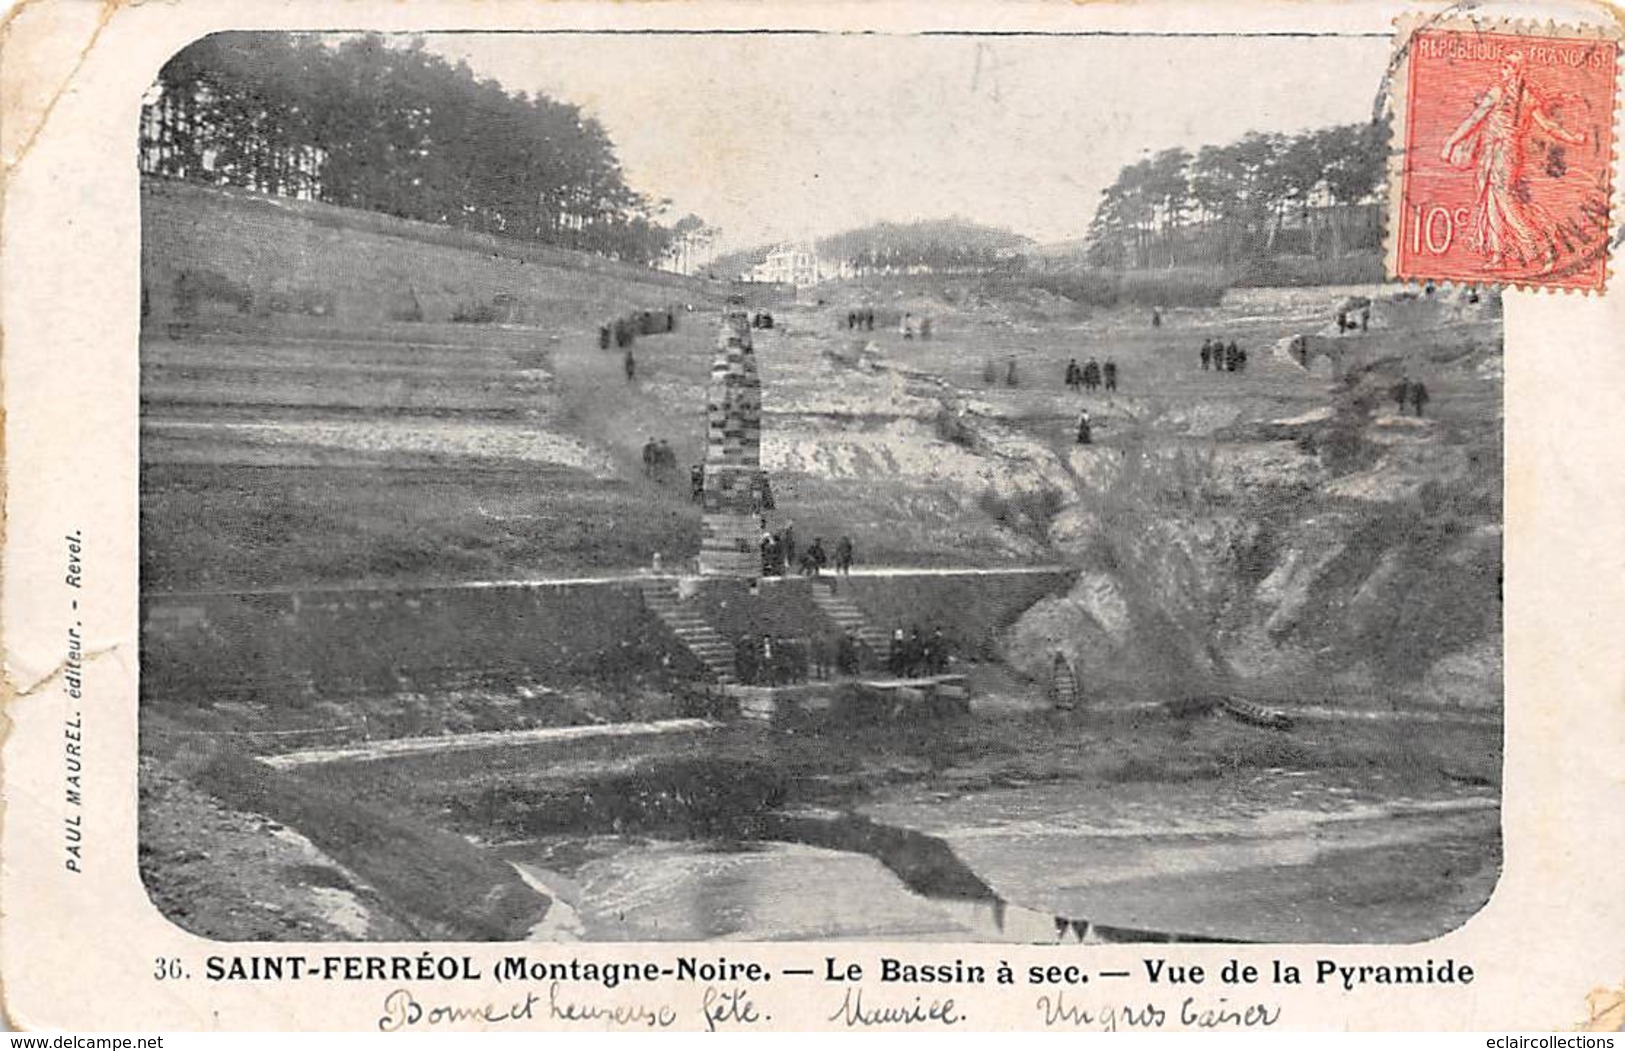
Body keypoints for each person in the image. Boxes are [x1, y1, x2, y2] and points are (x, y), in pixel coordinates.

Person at [1440, 50, 1588, 273]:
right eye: (1503, 65)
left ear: (1515, 70)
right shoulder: (1527, 96)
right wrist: (1573, 138)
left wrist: (1451, 143)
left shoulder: (1498, 93)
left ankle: (1545, 248)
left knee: (1506, 203)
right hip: (1498, 153)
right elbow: (1548, 127)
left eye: (1506, 66)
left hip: (1502, 153)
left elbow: (1473, 120)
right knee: (1492, 202)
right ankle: (1498, 256)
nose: (1502, 70)